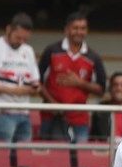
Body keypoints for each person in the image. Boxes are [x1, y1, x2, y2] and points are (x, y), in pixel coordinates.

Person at [38, 12, 106, 142]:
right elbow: (37, 82)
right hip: (51, 116)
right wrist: (53, 105)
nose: (79, 32)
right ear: (66, 29)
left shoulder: (93, 57)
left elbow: (101, 90)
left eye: (83, 28)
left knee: (82, 158)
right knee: (53, 158)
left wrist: (79, 83)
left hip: (80, 118)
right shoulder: (51, 51)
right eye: (75, 28)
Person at [0, 13, 41, 142]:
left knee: (24, 156)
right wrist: (15, 90)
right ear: (9, 29)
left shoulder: (28, 51)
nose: (21, 42)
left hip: (24, 113)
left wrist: (34, 88)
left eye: (25, 39)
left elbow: (36, 82)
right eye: (18, 37)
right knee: (2, 157)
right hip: (1, 113)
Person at [90, 72, 122, 140]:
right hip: (106, 149)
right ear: (110, 88)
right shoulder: (100, 111)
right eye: (115, 85)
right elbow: (93, 139)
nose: (119, 88)